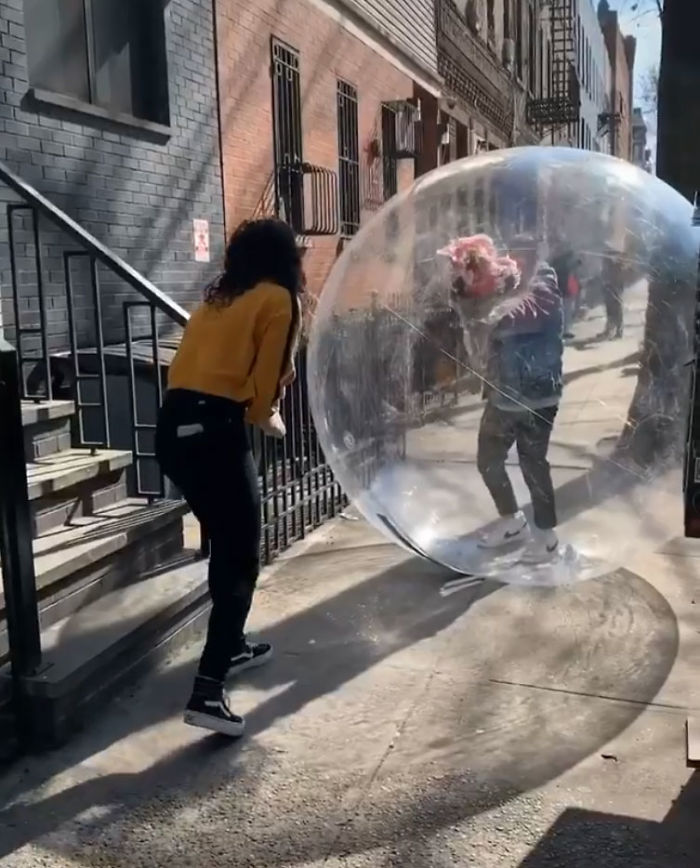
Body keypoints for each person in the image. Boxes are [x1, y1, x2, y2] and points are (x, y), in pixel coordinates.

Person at [155, 218, 303, 737]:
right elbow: (262, 393)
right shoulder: (279, 299)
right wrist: (271, 414)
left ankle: (233, 643)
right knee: (240, 556)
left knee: (226, 539)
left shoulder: (217, 300)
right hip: (217, 432)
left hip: (172, 430)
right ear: (287, 258)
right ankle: (207, 689)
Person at [440, 233, 564, 564]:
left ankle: (546, 536)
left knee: (532, 463)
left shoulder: (544, 289)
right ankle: (512, 520)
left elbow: (516, 318)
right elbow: (480, 329)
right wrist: (467, 284)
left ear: (536, 257)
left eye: (523, 253)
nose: (514, 259)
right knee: (488, 460)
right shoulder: (503, 289)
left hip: (536, 398)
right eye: (512, 253)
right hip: (502, 395)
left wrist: (492, 290)